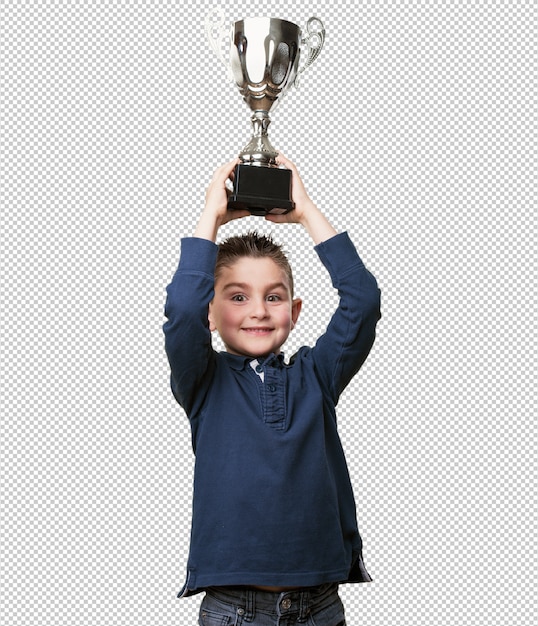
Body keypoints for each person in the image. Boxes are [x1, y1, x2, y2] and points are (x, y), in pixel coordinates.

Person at [163, 154, 381, 626]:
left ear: (295, 310)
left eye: (274, 296)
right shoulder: (204, 382)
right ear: (211, 312)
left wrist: (306, 213)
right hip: (234, 610)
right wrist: (210, 216)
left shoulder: (317, 375)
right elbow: (181, 309)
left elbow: (362, 301)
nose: (258, 310)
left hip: (319, 606)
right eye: (237, 296)